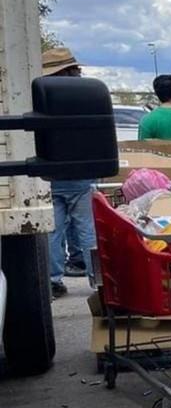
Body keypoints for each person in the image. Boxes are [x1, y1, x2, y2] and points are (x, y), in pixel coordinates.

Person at [41, 47, 95, 298]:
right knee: (87, 229)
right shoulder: (85, 97)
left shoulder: (41, 98)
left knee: (53, 230)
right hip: (81, 173)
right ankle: (98, 280)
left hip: (49, 173)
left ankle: (53, 281)